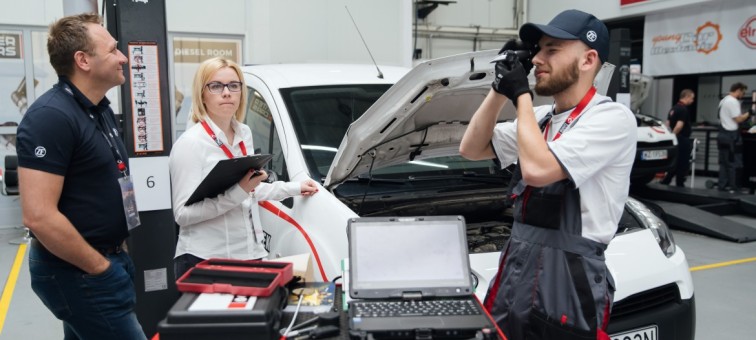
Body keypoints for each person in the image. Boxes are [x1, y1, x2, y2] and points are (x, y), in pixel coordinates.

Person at [459, 9, 636, 340]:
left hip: (568, 277)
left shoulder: (611, 119)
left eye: (552, 49)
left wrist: (521, 96)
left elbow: (539, 170)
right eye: (537, 49)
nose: (538, 58)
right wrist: (500, 89)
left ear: (588, 60)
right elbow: (471, 147)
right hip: (517, 267)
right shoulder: (539, 119)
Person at [16, 13, 146, 339]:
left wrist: (116, 251)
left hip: (106, 260)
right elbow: (39, 216)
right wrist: (99, 267)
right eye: (113, 50)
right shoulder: (51, 117)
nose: (123, 58)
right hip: (81, 272)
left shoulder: (98, 111)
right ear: (83, 60)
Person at [169, 57, 318, 278]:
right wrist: (238, 192)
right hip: (206, 260)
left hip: (249, 254)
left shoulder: (244, 133)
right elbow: (182, 215)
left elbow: (251, 189)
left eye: (234, 85)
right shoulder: (191, 144)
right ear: (202, 94)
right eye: (216, 86)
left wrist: (294, 188)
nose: (227, 92)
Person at [717, 82, 750, 193]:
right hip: (732, 137)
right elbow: (738, 119)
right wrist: (750, 113)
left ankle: (722, 186)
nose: (743, 95)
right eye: (743, 92)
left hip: (722, 135)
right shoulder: (733, 101)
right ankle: (734, 188)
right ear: (738, 90)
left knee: (723, 163)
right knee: (735, 163)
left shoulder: (723, 100)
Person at [661, 89, 695, 187]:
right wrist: (673, 137)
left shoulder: (673, 108)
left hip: (676, 139)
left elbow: (667, 124)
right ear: (687, 97)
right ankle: (680, 183)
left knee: (676, 161)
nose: (692, 101)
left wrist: (668, 137)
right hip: (682, 139)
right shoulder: (683, 109)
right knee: (683, 162)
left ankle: (667, 180)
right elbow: (679, 126)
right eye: (692, 98)